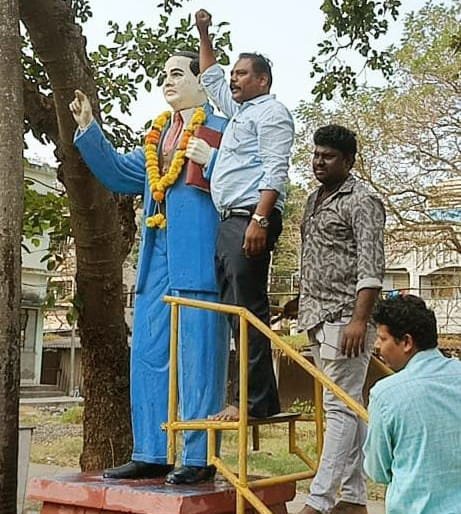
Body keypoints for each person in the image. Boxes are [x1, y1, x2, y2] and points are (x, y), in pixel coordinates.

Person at [69, 51, 229, 485]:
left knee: (198, 358)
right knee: (148, 353)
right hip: (155, 258)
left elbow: (247, 183)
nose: (167, 81)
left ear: (202, 82)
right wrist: (89, 128)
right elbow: (119, 174)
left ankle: (198, 455)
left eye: (177, 73)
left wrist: (213, 159)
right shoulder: (156, 139)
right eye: (164, 75)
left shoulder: (223, 129)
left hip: (199, 260)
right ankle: (151, 451)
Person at [195, 9, 295, 421]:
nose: (233, 79)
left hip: (250, 218)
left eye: (241, 74)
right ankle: (260, 400)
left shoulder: (272, 113)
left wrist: (260, 219)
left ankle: (252, 403)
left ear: (262, 80)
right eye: (233, 73)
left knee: (248, 311)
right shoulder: (239, 113)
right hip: (229, 220)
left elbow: (276, 170)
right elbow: (210, 78)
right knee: (236, 311)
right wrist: (204, 32)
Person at [297, 125, 386, 514]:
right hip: (315, 314)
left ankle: (319, 500)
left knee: (339, 407)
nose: (319, 162)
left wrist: (359, 320)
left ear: (348, 161)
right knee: (348, 406)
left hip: (345, 317)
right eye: (316, 155)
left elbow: (371, 266)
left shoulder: (363, 201)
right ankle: (353, 497)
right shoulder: (313, 199)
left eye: (329, 156)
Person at [364, 294, 461, 514]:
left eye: (382, 338)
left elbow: (377, 470)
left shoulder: (385, 394)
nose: (377, 346)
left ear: (406, 342)